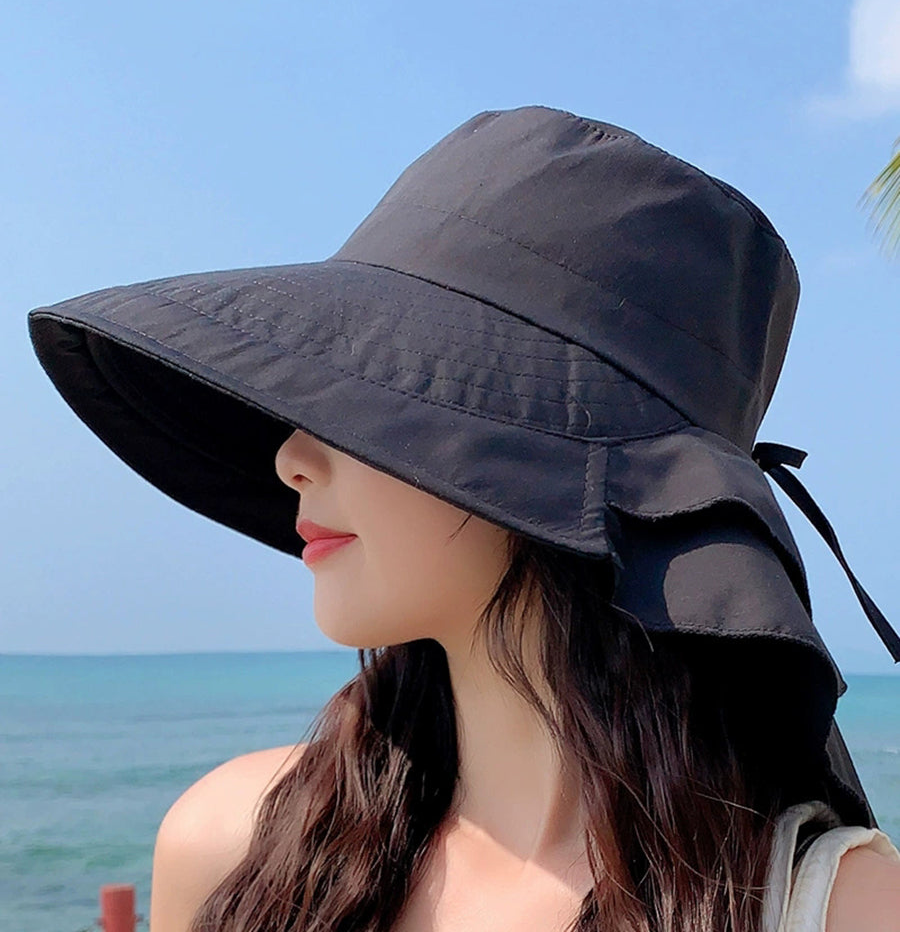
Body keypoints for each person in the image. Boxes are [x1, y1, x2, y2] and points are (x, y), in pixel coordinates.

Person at [28, 105, 900, 931]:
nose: (291, 456)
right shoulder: (234, 847)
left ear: (541, 464)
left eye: (367, 400)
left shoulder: (837, 909)